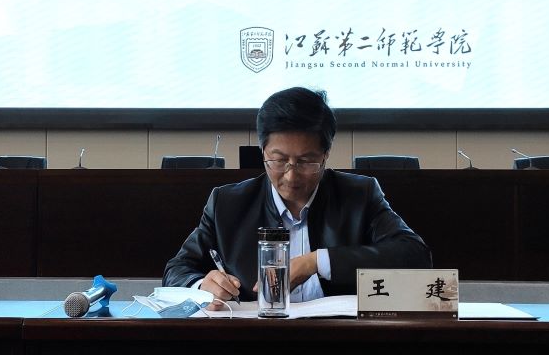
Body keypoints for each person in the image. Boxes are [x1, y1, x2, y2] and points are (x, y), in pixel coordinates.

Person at [163, 87, 431, 305]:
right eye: (279, 160)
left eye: (306, 162)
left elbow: (415, 255)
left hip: (341, 338)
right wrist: (202, 285)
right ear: (263, 151)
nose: (291, 176)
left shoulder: (359, 195)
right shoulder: (228, 203)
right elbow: (177, 270)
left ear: (325, 155)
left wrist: (316, 262)